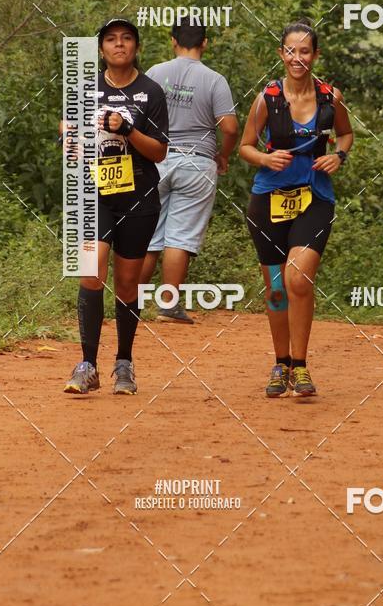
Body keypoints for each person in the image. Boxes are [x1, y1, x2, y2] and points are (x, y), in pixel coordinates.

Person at [239, 20, 353, 397]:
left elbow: (346, 134)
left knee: (298, 279)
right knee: (276, 289)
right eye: (291, 51)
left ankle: (301, 367)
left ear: (315, 55)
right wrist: (265, 160)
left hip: (314, 198)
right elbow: (246, 146)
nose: (297, 58)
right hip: (268, 200)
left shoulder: (329, 98)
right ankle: (280, 363)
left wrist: (338, 155)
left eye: (305, 51)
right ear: (281, 54)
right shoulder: (266, 99)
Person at [63, 19, 169, 395]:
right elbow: (69, 133)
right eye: (111, 39)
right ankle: (87, 364)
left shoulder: (151, 91)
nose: (119, 44)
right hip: (94, 193)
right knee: (91, 269)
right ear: (102, 49)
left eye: (126, 38)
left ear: (136, 47)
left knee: (127, 282)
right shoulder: (85, 88)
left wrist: (127, 129)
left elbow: (159, 151)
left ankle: (123, 362)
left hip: (138, 195)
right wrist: (70, 139)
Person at [139, 20, 238, 322]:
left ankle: (130, 302)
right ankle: (168, 305)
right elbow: (230, 127)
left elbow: (137, 116)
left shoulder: (155, 73)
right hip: (197, 162)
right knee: (179, 238)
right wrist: (223, 153)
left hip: (156, 160)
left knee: (148, 236)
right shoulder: (214, 79)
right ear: (205, 43)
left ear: (172, 41)